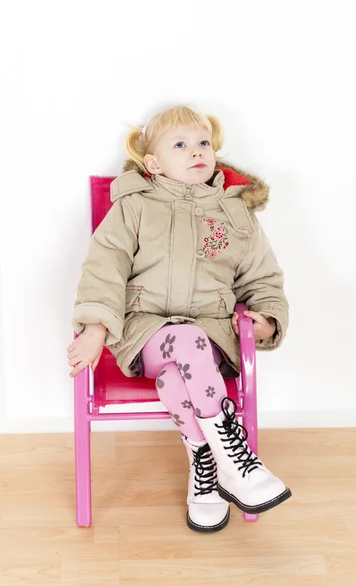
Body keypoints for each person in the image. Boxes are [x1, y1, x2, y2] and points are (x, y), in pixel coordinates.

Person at [68, 105, 291, 533]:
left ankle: (205, 467)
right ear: (153, 163)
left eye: (203, 142)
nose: (197, 152)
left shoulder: (235, 213)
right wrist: (96, 326)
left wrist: (268, 319)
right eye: (181, 145)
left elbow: (262, 276)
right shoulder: (135, 206)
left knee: (175, 380)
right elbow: (104, 265)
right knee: (181, 342)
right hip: (146, 331)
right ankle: (236, 461)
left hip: (212, 338)